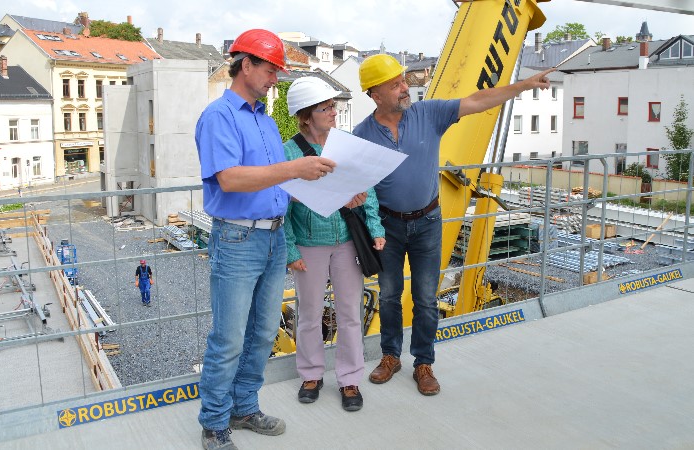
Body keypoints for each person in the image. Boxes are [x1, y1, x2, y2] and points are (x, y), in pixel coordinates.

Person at [353, 54, 554, 396]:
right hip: (387, 226)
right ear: (375, 94)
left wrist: (522, 86)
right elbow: (354, 183)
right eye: (396, 84)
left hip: (428, 223)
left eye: (404, 81)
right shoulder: (361, 134)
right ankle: (390, 357)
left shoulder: (428, 113)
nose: (405, 88)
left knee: (426, 298)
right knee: (388, 297)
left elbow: (477, 101)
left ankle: (423, 363)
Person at [194, 29, 336, 450]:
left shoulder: (266, 120)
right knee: (229, 338)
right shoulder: (219, 116)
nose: (276, 78)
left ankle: (244, 407)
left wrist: (330, 186)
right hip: (238, 239)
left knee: (260, 333)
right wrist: (296, 170)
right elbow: (231, 179)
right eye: (271, 69)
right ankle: (214, 423)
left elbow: (276, 184)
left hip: (274, 239)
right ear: (246, 65)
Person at [283, 77, 385, 412]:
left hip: (346, 243)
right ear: (306, 115)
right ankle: (311, 374)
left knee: (350, 313)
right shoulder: (290, 152)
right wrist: (290, 249)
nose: (333, 112)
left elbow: (365, 190)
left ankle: (350, 378)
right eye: (325, 108)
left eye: (333, 106)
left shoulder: (346, 144)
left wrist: (374, 228)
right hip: (309, 244)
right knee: (310, 312)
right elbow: (280, 204)